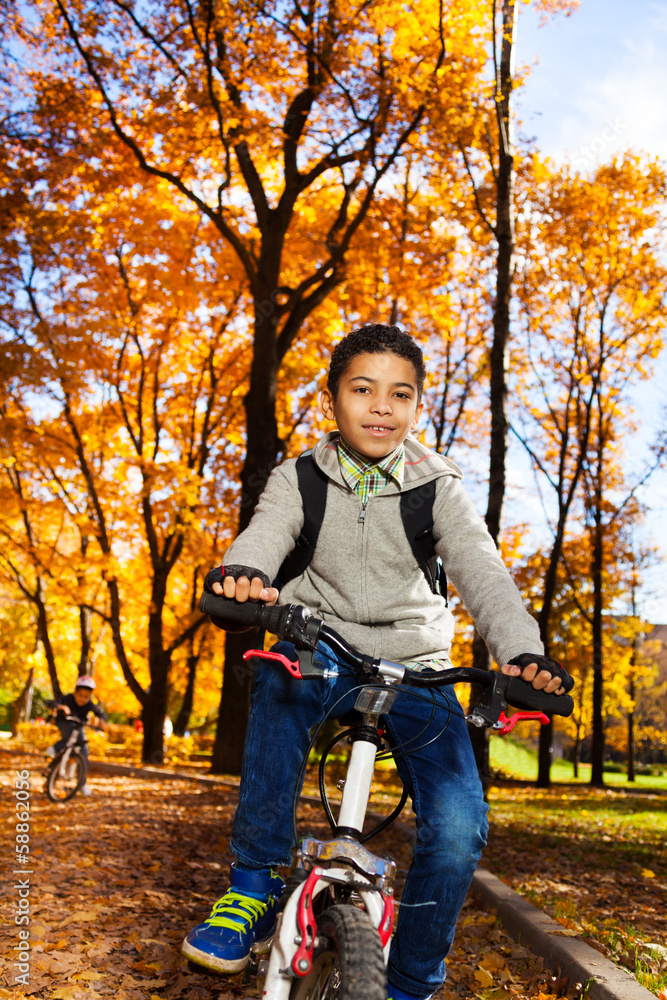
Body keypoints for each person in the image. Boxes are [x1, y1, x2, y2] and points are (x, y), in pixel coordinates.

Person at [182, 324, 572, 1000]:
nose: (380, 406)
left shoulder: (437, 486)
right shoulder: (300, 476)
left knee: (456, 826)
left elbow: (484, 577)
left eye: (400, 393)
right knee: (278, 679)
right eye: (362, 389)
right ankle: (252, 885)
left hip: (415, 667)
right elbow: (266, 533)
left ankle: (412, 979)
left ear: (417, 407)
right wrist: (243, 574)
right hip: (320, 646)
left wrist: (522, 653)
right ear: (333, 397)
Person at [46, 675, 107, 797]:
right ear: (75, 693)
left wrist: (101, 719)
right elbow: (50, 702)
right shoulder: (67, 699)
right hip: (65, 723)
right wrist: (61, 707)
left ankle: (82, 783)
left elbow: (100, 712)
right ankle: (53, 749)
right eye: (80, 695)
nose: (83, 699)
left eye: (86, 697)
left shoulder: (89, 704)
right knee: (68, 734)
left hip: (79, 729)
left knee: (84, 753)